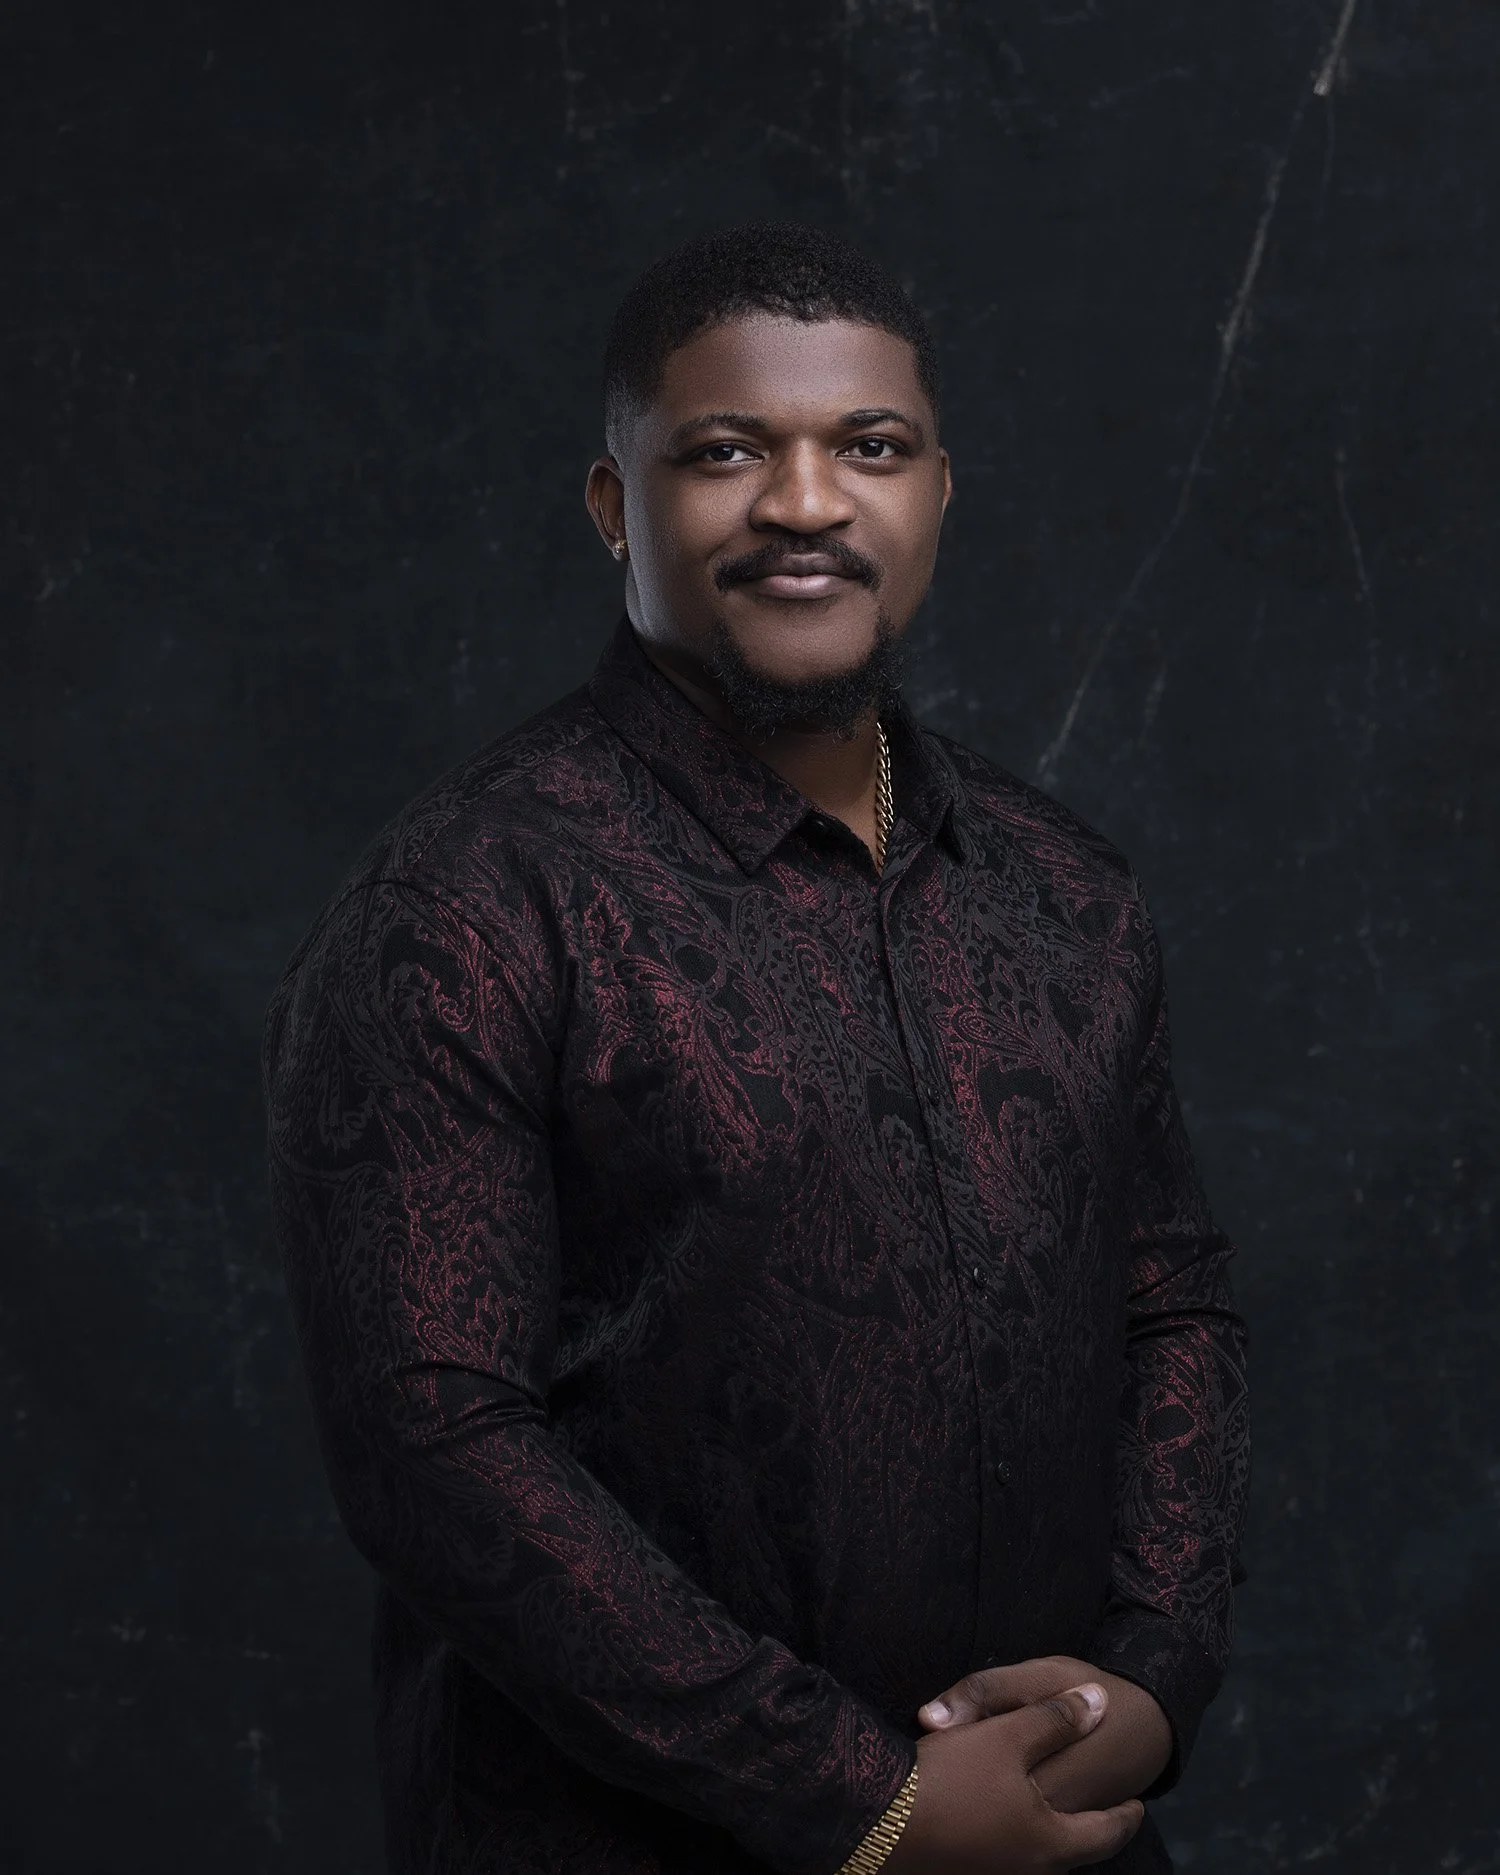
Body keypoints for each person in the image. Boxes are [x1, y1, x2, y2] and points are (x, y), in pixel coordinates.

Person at [263, 223, 1248, 1875]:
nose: (804, 502)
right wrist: (866, 1806)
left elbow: (1177, 1300)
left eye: (868, 445)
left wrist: (1145, 1684)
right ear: (613, 505)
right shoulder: (464, 907)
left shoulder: (1065, 888)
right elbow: (435, 1448)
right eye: (725, 451)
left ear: (938, 489)